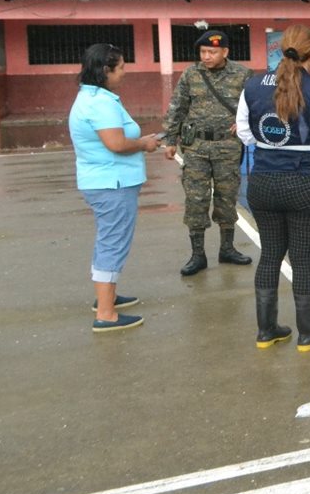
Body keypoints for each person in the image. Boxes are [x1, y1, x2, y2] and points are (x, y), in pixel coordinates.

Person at [237, 25, 310, 351]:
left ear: (281, 49)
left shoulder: (253, 86)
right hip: (306, 184)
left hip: (263, 182)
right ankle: (306, 335)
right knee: (302, 260)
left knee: (270, 255)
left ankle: (266, 331)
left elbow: (245, 133)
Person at [68, 43, 161, 332]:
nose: (124, 72)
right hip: (112, 183)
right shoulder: (100, 103)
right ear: (106, 70)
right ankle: (106, 314)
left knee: (108, 239)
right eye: (121, 67)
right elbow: (117, 144)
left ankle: (106, 298)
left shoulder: (91, 96)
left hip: (103, 180)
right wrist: (144, 143)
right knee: (113, 242)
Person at [162, 29, 254, 276]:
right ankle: (198, 255)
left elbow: (255, 105)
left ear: (225, 52)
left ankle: (227, 248)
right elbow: (177, 106)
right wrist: (170, 139)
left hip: (227, 147)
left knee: (227, 196)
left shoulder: (243, 75)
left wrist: (245, 123)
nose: (206, 56)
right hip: (196, 148)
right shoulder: (192, 74)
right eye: (203, 51)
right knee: (196, 199)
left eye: (212, 51)